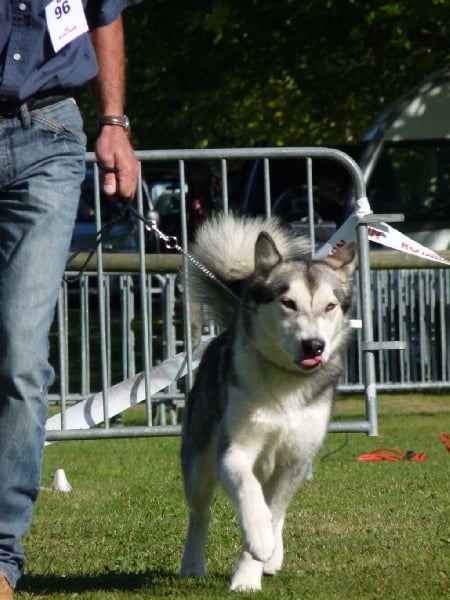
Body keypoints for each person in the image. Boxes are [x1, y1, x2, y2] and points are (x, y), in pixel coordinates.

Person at [0, 2, 141, 597]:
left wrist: (115, 124)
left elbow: (105, 11)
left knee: (21, 357)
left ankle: (0, 557)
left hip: (49, 134)